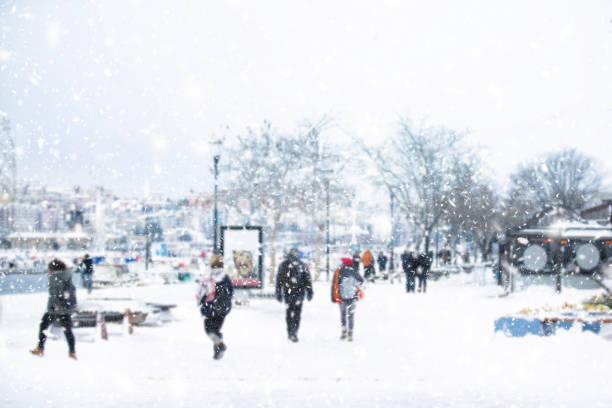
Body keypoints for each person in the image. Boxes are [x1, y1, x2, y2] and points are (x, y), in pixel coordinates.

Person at [30, 259, 77, 359]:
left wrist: (57, 306)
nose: (48, 270)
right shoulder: (65, 276)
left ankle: (40, 348)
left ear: (53, 268)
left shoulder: (56, 277)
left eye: (49, 268)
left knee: (44, 326)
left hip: (55, 308)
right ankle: (72, 352)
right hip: (63, 308)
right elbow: (68, 293)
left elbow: (57, 294)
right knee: (67, 330)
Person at [197, 255, 234, 360]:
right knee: (216, 329)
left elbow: (202, 291)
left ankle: (220, 345)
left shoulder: (208, 275)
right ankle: (217, 351)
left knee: (209, 330)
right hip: (222, 309)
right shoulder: (225, 276)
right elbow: (231, 291)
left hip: (210, 308)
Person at [275, 248, 313, 342]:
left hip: (290, 293)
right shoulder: (301, 265)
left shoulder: (285, 265)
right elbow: (307, 280)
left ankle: (291, 332)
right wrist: (309, 291)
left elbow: (279, 280)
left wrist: (278, 292)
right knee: (296, 314)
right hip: (297, 293)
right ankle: (293, 332)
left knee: (290, 313)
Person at [331, 257, 364, 341]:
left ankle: (343, 330)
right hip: (353, 297)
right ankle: (350, 333)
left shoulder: (339, 271)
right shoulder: (354, 271)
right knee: (351, 315)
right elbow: (361, 280)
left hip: (342, 297)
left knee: (343, 314)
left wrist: (333, 297)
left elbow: (334, 284)